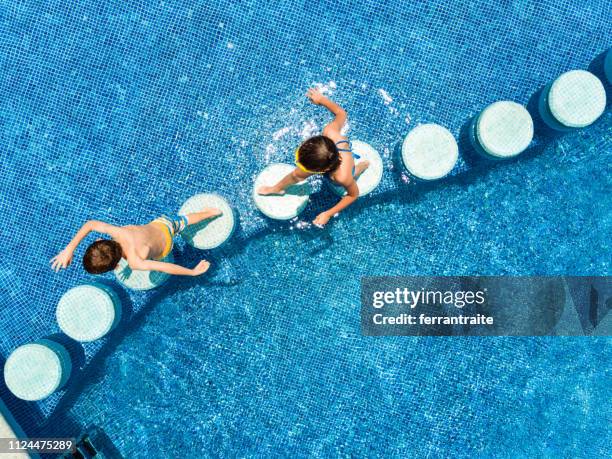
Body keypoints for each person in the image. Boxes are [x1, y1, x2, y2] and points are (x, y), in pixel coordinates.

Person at [258, 88, 369, 226]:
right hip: (329, 161)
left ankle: (363, 166)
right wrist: (322, 100)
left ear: (320, 170)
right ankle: (277, 188)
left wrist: (328, 213)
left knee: (353, 173)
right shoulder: (330, 132)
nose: (298, 162)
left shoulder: (341, 176)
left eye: (303, 163)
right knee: (296, 175)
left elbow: (353, 195)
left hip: (345, 171)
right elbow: (341, 113)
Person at [51, 209, 221, 276]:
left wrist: (192, 272)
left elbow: (165, 267)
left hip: (165, 247)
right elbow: (91, 225)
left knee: (155, 256)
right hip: (163, 224)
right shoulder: (118, 231)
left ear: (116, 265)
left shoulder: (135, 262)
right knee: (185, 220)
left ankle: (117, 263)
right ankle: (213, 212)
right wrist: (69, 249)